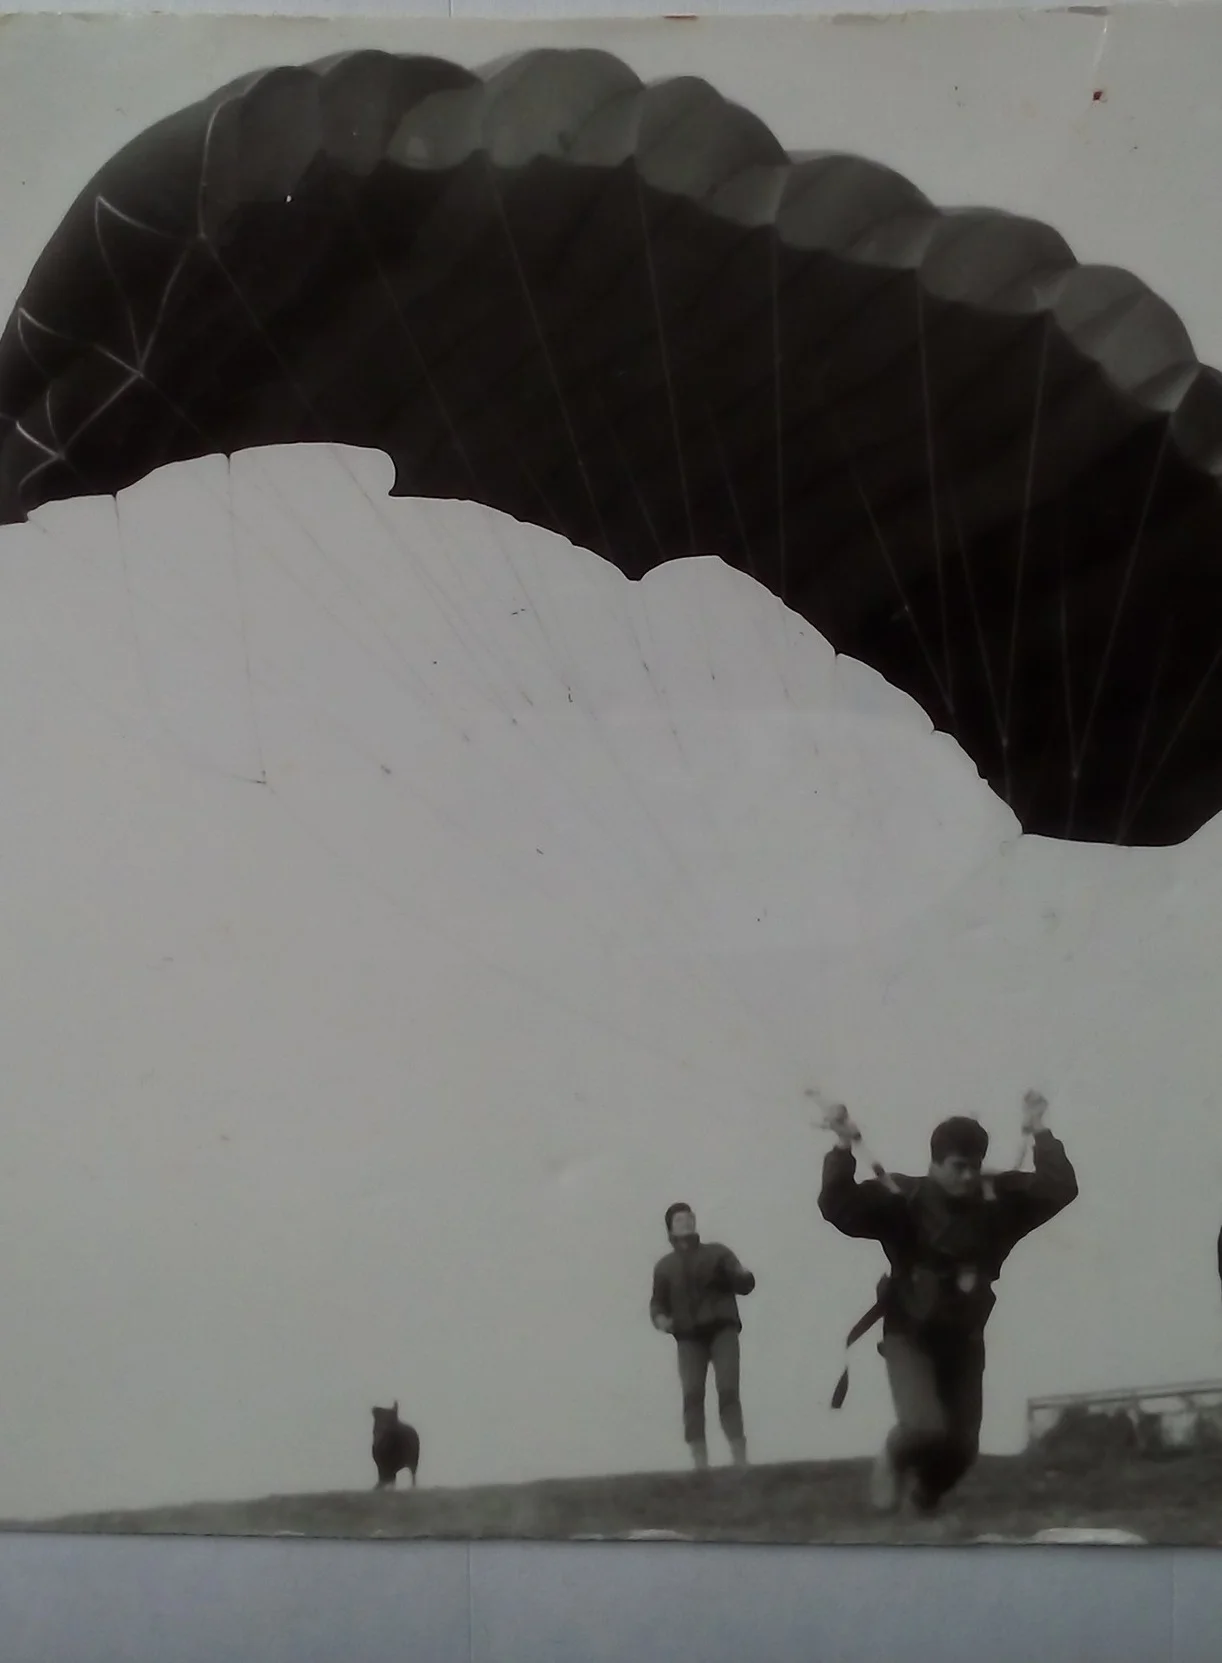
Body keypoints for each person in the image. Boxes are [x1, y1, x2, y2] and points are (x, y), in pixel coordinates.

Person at [818, 1090, 1078, 1517]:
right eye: (958, 1167)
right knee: (924, 1429)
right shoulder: (903, 1199)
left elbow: (1060, 1187)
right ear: (935, 1164)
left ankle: (923, 1501)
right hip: (910, 1333)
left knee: (961, 1448)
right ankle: (894, 1454)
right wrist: (843, 1146)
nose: (968, 1176)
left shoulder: (999, 1203)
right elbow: (837, 1205)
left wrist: (1040, 1131)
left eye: (975, 1166)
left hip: (964, 1338)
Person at [649, 1202, 756, 1470]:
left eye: (689, 1217)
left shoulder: (718, 1253)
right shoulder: (664, 1266)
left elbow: (742, 1282)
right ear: (670, 1228)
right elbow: (657, 1303)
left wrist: (743, 1277)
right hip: (688, 1337)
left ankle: (739, 1457)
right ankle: (699, 1463)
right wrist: (660, 1319)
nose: (685, 1222)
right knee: (692, 1395)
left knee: (728, 1390)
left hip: (722, 1330)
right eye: (679, 1219)